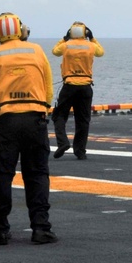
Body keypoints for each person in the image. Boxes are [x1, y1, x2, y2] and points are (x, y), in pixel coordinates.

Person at [0, 12, 57, 245]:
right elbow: (49, 90)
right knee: (37, 175)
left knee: (2, 176)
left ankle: (0, 230)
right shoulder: (37, 50)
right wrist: (43, 112)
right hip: (35, 120)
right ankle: (41, 228)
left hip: (6, 122)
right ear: (22, 30)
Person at [51, 21, 105, 160]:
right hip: (85, 86)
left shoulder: (66, 45)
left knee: (59, 115)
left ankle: (63, 142)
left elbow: (55, 51)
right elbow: (101, 52)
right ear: (85, 33)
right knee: (83, 120)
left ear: (71, 33)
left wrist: (64, 38)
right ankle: (80, 151)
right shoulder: (91, 46)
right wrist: (92, 38)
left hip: (69, 85)